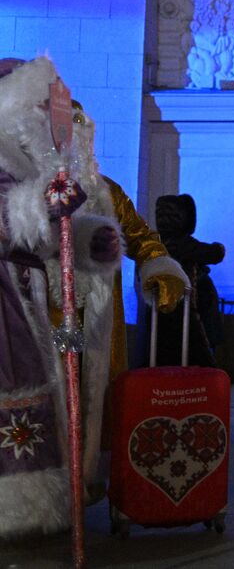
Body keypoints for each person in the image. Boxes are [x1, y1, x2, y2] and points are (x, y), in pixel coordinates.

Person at [0, 56, 117, 538]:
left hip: (24, 294)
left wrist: (90, 239)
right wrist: (37, 205)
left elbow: (47, 235)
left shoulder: (29, 157)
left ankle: (25, 509)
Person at [55, 99, 188, 500]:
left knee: (90, 401)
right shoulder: (23, 190)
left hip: (93, 319)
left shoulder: (106, 192)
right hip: (38, 316)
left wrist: (160, 268)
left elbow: (143, 238)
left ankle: (81, 485)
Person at [154, 193, 226, 367]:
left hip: (162, 308)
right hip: (190, 308)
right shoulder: (182, 243)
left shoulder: (154, 242)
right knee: (198, 350)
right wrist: (220, 247)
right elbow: (214, 254)